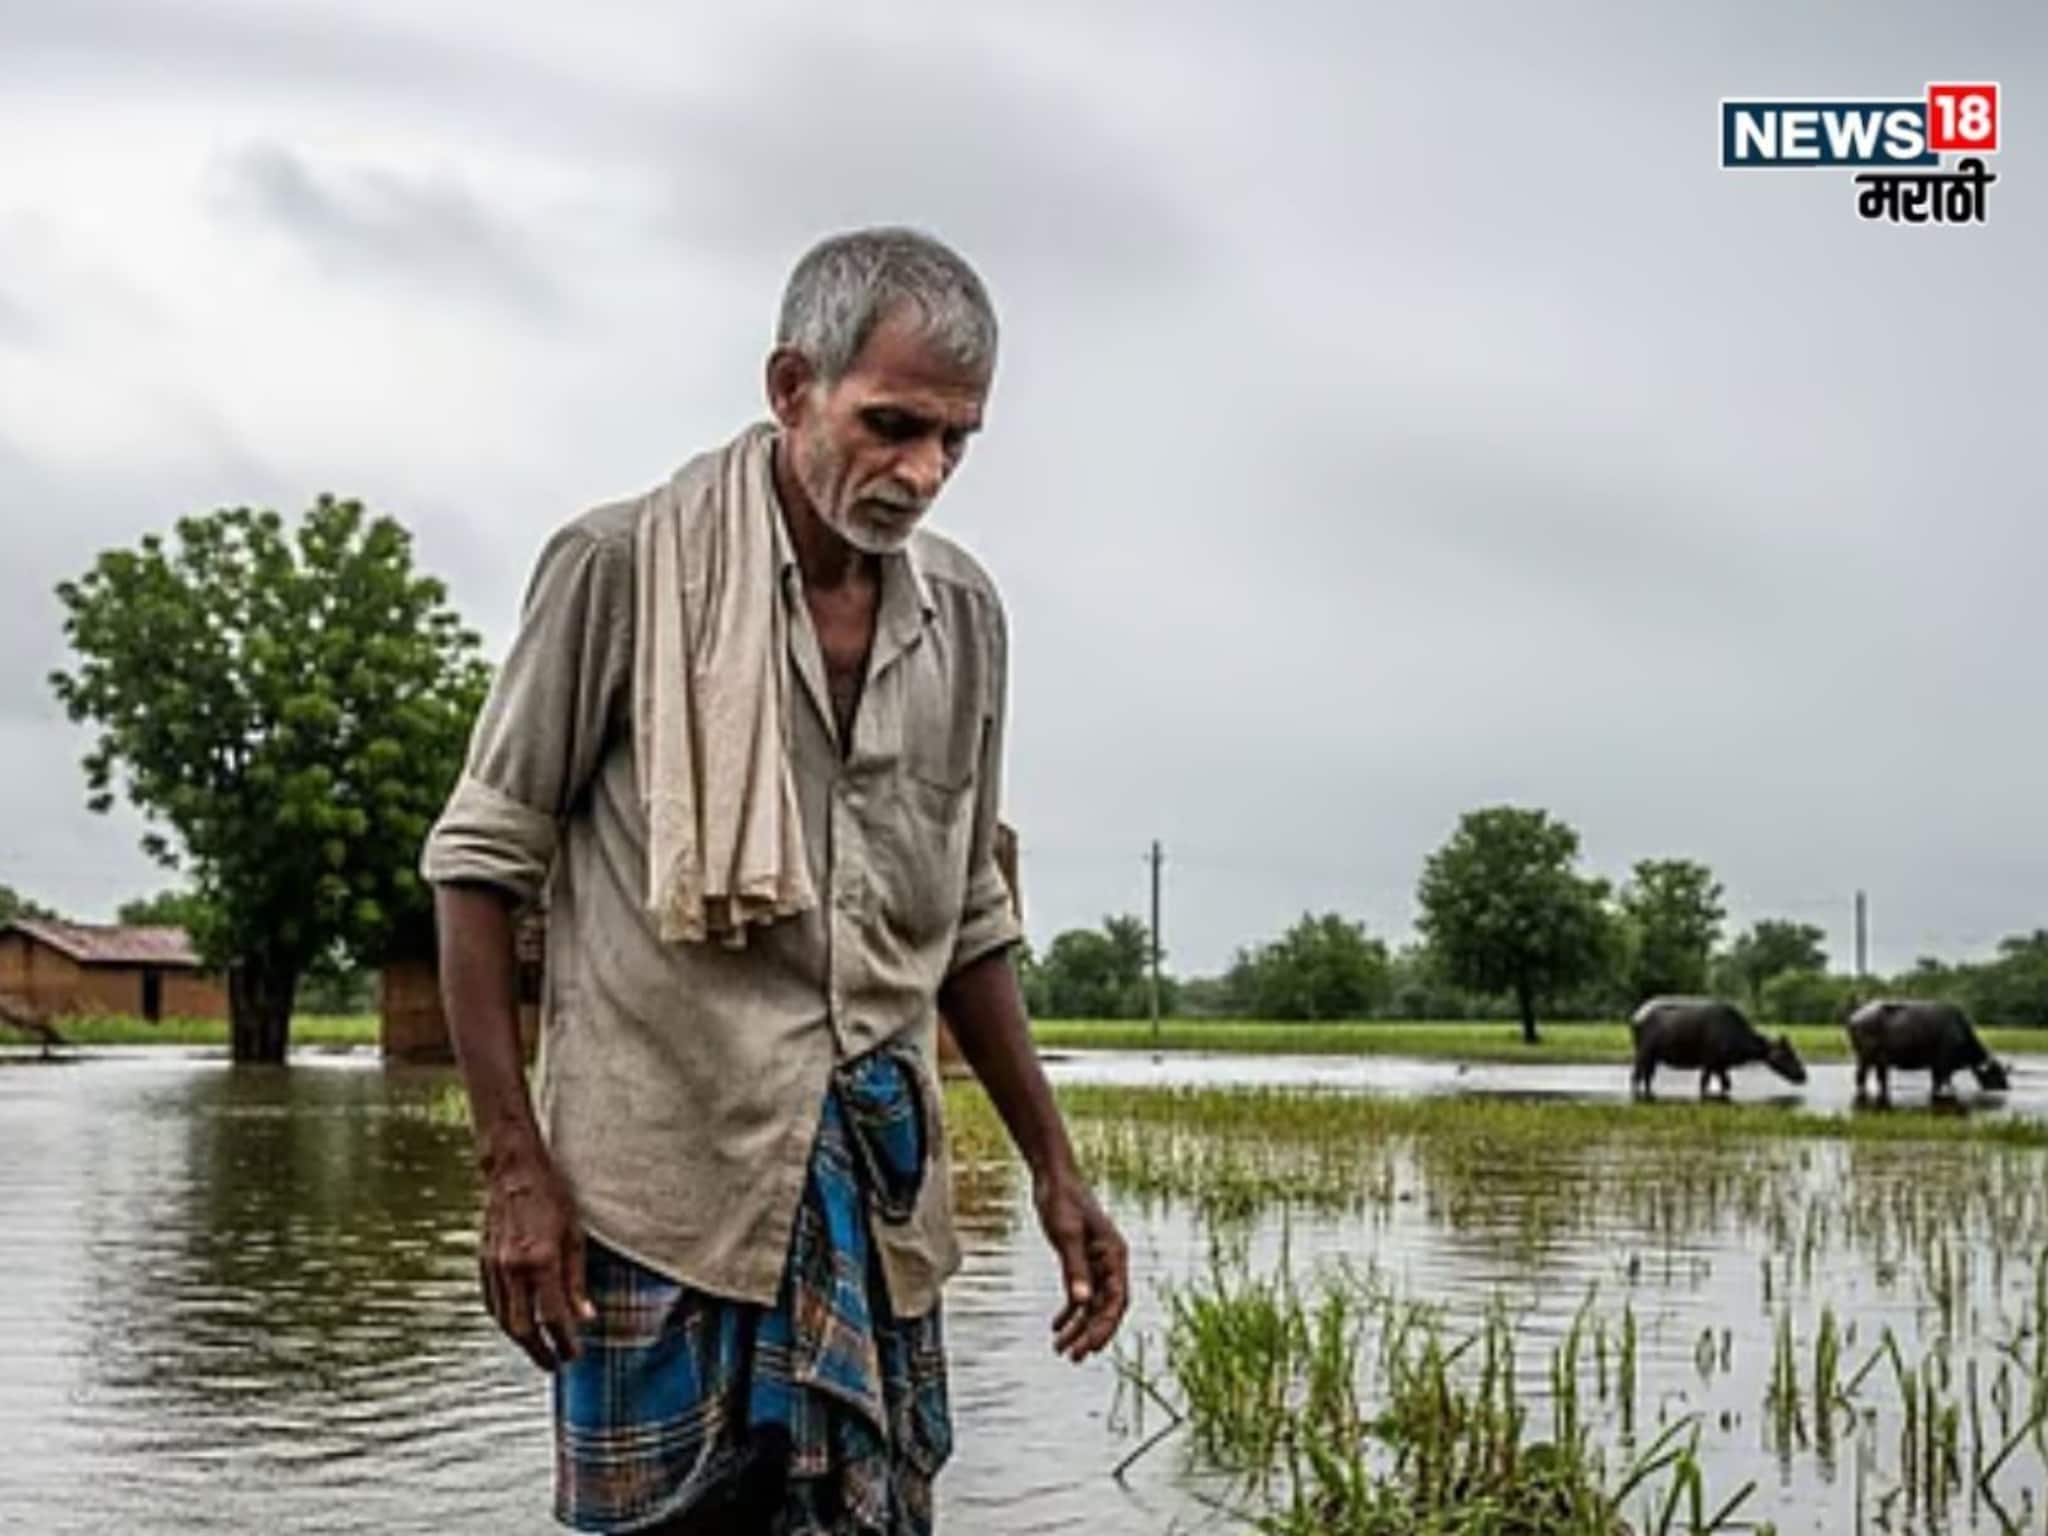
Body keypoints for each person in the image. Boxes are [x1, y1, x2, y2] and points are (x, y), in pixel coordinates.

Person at [420, 226, 1128, 1535]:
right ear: (792, 386)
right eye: (894, 424)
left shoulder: (962, 620)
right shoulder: (620, 569)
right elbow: (479, 865)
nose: (921, 473)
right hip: (655, 1201)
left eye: (955, 442)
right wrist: (514, 1173)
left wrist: (1055, 1169)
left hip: (878, 1198)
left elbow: (969, 916)